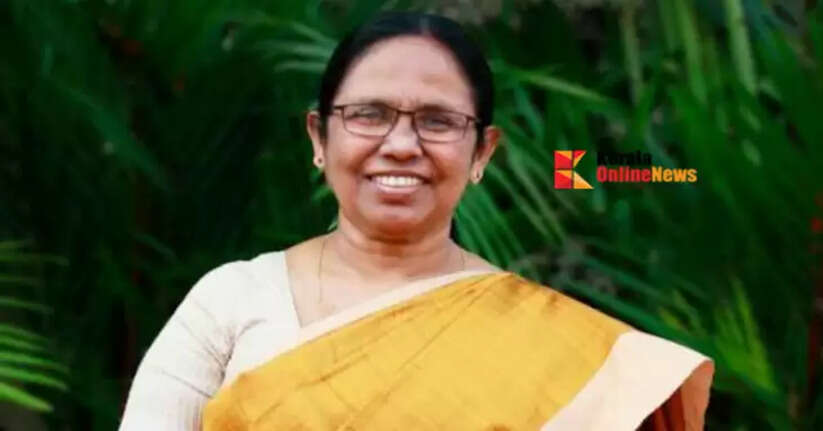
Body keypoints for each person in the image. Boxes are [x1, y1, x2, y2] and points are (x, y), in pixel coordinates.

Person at [119, 11, 713, 430]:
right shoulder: (231, 302)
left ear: (481, 153)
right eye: (369, 114)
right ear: (319, 137)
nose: (402, 145)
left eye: (437, 121)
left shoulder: (558, 349)